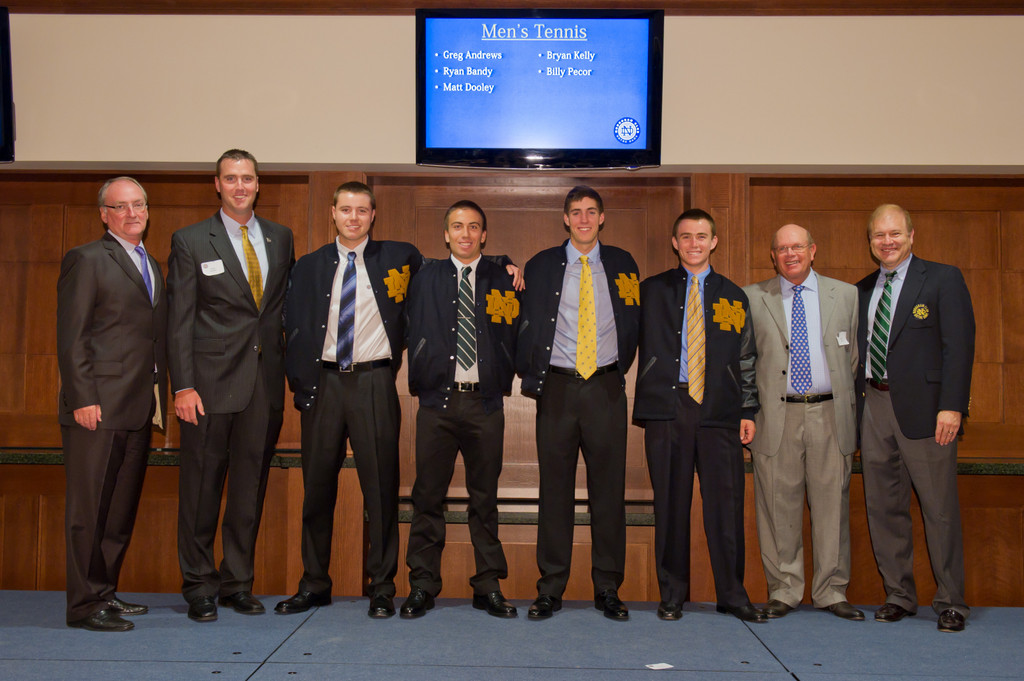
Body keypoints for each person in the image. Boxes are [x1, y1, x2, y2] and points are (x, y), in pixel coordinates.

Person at [276, 181, 420, 619]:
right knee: (317, 489)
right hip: (323, 385)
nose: (353, 217)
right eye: (345, 209)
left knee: (380, 490)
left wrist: (500, 264)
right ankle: (314, 583)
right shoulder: (308, 266)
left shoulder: (401, 257)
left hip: (374, 381)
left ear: (373, 214)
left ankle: (382, 588)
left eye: (362, 210)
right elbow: (291, 325)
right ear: (332, 213)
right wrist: (300, 382)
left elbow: (449, 270)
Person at [168, 149, 295, 622]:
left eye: (247, 178)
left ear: (258, 184)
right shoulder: (190, 240)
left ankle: (236, 583)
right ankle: (200, 585)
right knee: (201, 490)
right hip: (206, 388)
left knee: (249, 491)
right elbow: (178, 322)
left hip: (263, 387)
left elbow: (279, 313)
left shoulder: (281, 238)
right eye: (230, 179)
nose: (240, 186)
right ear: (216, 185)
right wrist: (183, 386)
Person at [633, 209, 765, 623]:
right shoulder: (649, 291)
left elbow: (746, 357)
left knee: (725, 508)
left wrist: (748, 408)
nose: (694, 243)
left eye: (701, 236)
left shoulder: (733, 295)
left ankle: (732, 593)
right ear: (675, 243)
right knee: (670, 506)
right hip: (666, 410)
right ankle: (672, 593)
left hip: (720, 412)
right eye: (686, 237)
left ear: (714, 242)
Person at [516, 185, 639, 621]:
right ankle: (550, 588)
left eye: (591, 212)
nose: (584, 219)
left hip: (606, 387)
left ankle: (608, 588)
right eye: (575, 213)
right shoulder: (542, 264)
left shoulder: (623, 262)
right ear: (565, 219)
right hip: (558, 389)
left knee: (609, 494)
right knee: (555, 493)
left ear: (602, 217)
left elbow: (634, 320)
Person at [856, 204, 975, 633]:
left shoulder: (943, 279)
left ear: (912, 235)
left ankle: (950, 602)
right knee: (883, 507)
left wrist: (953, 405)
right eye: (878, 235)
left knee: (939, 509)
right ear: (870, 242)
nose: (886, 241)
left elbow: (958, 347)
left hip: (929, 412)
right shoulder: (864, 289)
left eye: (894, 233)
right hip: (874, 406)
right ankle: (899, 595)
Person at [57, 176, 167, 631]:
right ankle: (84, 606)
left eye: (138, 205)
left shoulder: (151, 263)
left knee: (118, 511)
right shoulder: (86, 259)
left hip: (138, 408)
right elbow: (72, 336)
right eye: (120, 207)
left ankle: (104, 593)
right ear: (104, 214)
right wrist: (83, 397)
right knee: (89, 512)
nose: (132, 213)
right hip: (96, 410)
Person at [400, 200, 520, 619]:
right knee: (427, 498)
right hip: (437, 403)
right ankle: (422, 585)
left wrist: (506, 262)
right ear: (445, 234)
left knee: (484, 500)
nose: (466, 234)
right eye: (457, 226)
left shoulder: (503, 277)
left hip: (486, 405)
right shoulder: (423, 276)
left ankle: (487, 586)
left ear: (484, 235)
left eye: (474, 227)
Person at [744, 224, 862, 620]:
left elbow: (854, 358)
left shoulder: (845, 294)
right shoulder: (752, 297)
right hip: (776, 415)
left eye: (797, 246)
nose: (790, 253)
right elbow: (746, 360)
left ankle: (831, 590)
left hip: (830, 413)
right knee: (778, 505)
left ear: (813, 250)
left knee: (833, 505)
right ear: (772, 256)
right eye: (781, 248)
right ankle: (784, 588)